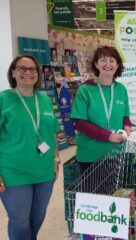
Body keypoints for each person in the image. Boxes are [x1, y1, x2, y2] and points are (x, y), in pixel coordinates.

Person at [0, 55, 60, 240]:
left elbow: (53, 132)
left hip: (44, 171)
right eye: (22, 68)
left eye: (32, 69)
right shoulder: (4, 99)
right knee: (19, 220)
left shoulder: (44, 99)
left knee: (38, 215)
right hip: (13, 172)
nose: (28, 73)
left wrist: (56, 158)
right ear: (13, 72)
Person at [71, 46, 132, 175]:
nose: (108, 64)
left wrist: (127, 126)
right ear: (96, 64)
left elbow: (125, 116)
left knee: (112, 193)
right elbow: (80, 123)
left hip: (114, 152)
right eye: (103, 60)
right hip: (90, 154)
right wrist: (108, 136)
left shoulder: (121, 89)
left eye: (112, 60)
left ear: (117, 65)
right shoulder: (86, 90)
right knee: (91, 193)